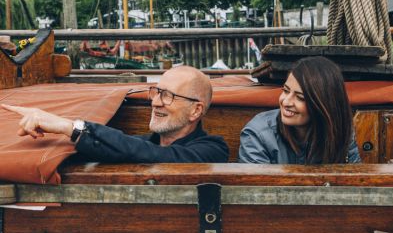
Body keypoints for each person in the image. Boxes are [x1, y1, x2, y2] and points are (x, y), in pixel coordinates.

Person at [2, 65, 229, 164]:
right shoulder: (138, 143)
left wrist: (71, 127)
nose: (155, 102)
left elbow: (158, 156)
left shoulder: (212, 150)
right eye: (156, 92)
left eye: (167, 96)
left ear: (196, 110)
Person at [239, 57, 361, 164]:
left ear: (323, 105)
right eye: (286, 91)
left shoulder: (343, 131)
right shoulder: (258, 135)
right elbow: (256, 189)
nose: (286, 102)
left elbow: (352, 182)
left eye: (300, 97)